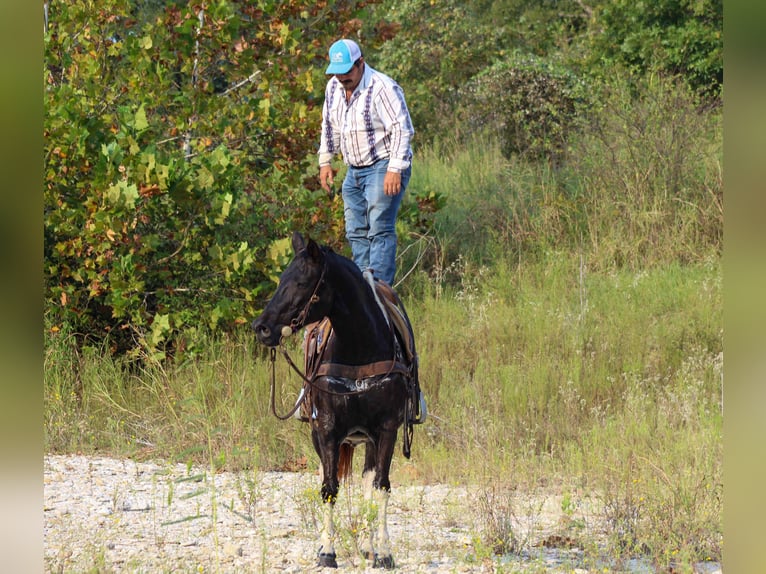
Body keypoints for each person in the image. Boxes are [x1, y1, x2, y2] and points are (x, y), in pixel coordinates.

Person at [318, 38, 414, 286]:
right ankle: (362, 286)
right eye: (337, 73)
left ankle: (379, 290)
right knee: (355, 231)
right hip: (355, 168)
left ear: (361, 63)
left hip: (383, 164)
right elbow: (329, 125)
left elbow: (403, 129)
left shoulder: (383, 87)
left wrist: (394, 169)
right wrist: (325, 161)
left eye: (347, 71)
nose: (342, 78)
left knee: (379, 228)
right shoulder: (333, 88)